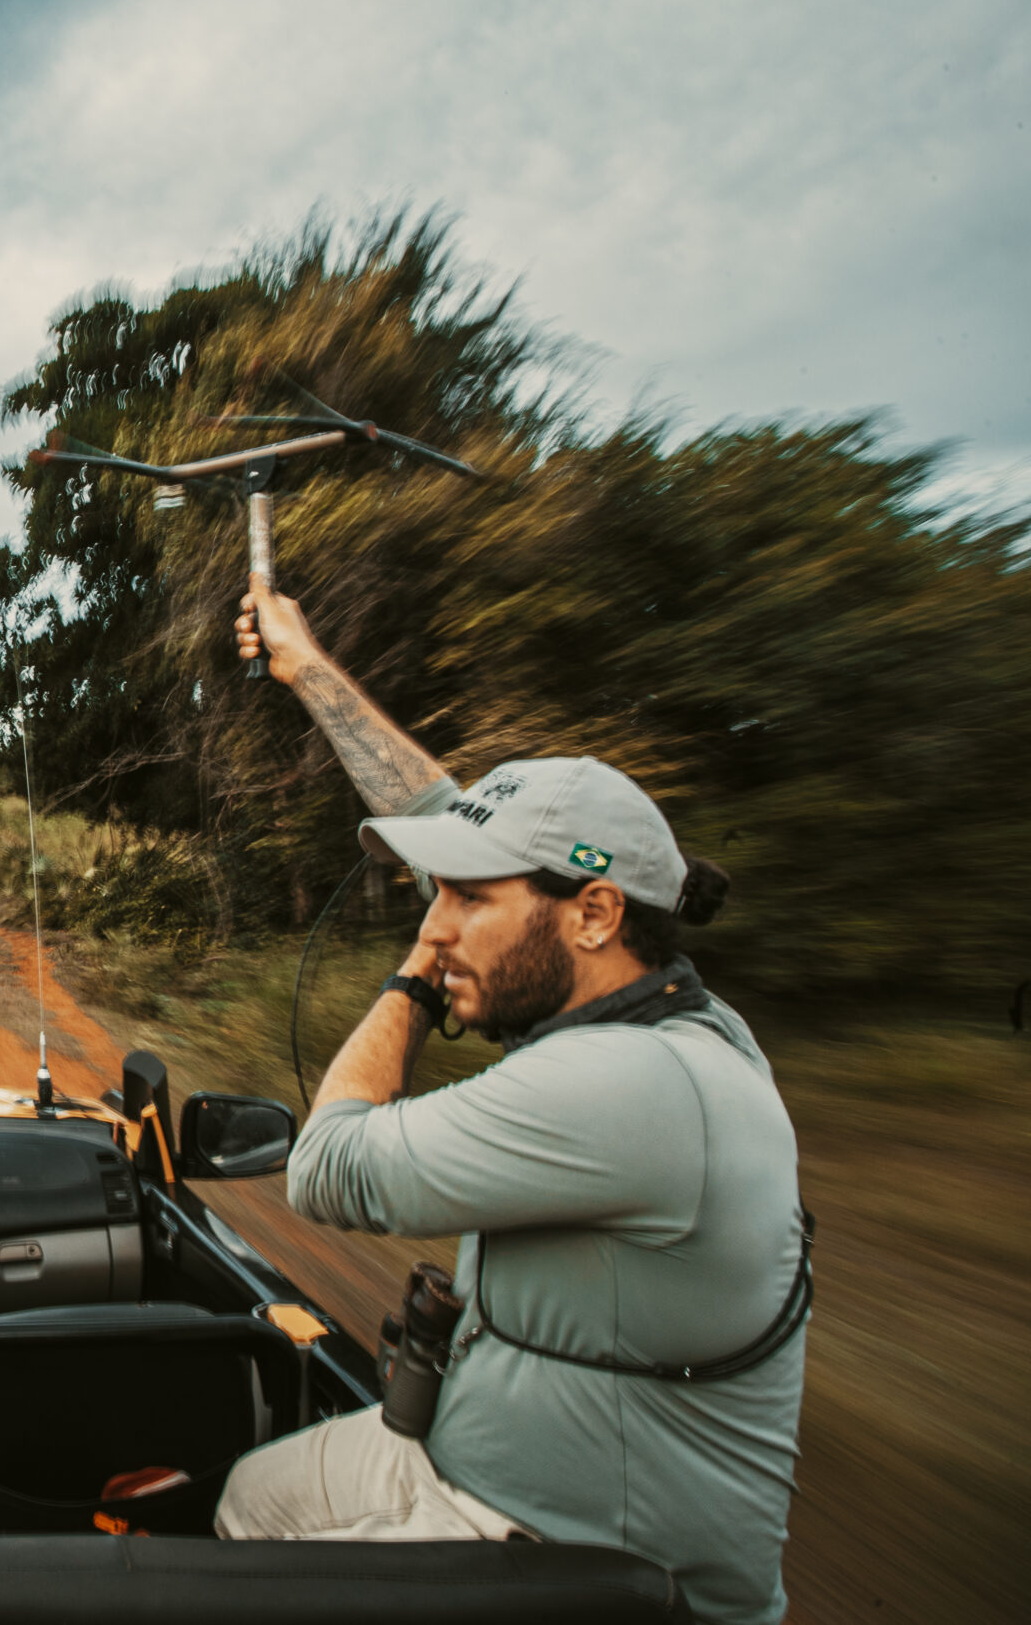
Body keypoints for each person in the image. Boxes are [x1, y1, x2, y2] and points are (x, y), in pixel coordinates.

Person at [214, 583, 807, 1625]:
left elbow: (326, 1165)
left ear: (592, 914)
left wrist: (409, 982)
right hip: (469, 1472)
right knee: (252, 1497)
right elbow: (438, 808)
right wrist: (306, 666)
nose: (439, 925)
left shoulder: (623, 1087)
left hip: (576, 1562)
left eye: (468, 898)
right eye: (436, 896)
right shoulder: (664, 1023)